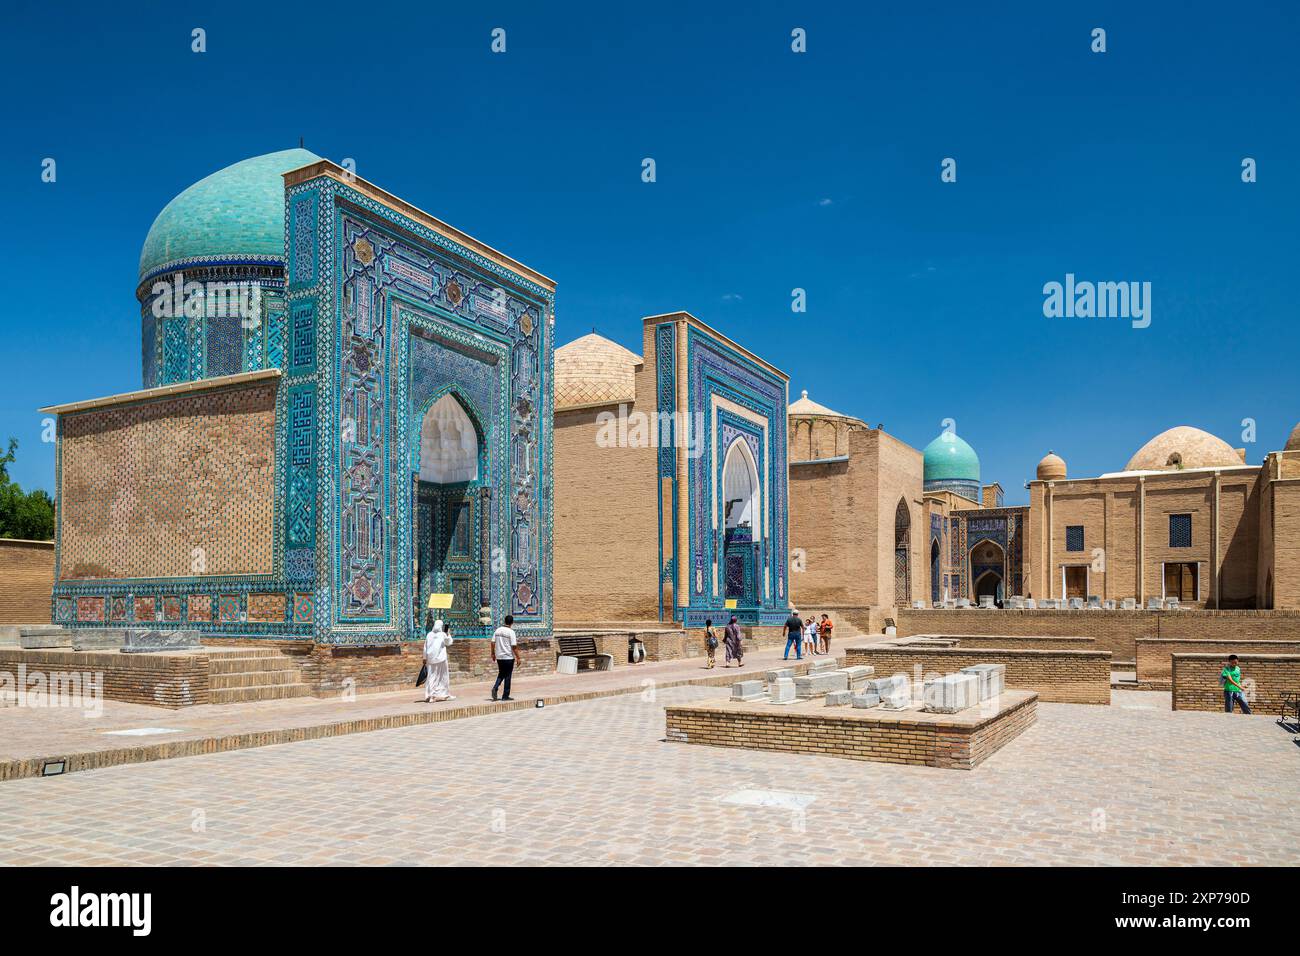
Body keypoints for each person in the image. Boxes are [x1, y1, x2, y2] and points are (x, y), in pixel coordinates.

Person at [423, 617, 455, 703]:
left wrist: (424, 658)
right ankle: (444, 694)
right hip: (441, 659)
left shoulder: (429, 634)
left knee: (431, 677)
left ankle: (430, 695)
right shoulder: (442, 634)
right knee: (443, 676)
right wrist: (448, 634)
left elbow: (425, 647)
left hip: (431, 659)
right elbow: (449, 642)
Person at [491, 614, 522, 702]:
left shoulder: (497, 630)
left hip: (499, 657)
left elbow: (492, 642)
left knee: (501, 673)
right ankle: (505, 695)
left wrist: (493, 654)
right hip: (508, 657)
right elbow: (514, 646)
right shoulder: (511, 632)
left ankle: (495, 687)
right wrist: (518, 658)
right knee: (508, 676)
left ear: (505, 621)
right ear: (512, 623)